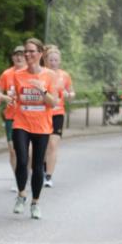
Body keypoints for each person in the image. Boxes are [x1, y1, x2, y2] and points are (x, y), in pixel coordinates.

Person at [11, 37, 55, 219]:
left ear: (40, 53)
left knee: (37, 166)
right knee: (22, 160)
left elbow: (54, 103)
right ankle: (22, 194)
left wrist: (42, 91)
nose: (27, 54)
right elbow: (16, 98)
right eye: (25, 52)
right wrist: (11, 98)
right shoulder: (18, 75)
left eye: (31, 51)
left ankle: (35, 202)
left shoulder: (49, 75)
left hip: (42, 125)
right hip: (21, 122)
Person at [43, 45, 74, 187]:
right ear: (46, 60)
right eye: (51, 60)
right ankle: (43, 168)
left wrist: (69, 95)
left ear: (59, 61)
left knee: (53, 144)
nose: (53, 62)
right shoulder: (42, 74)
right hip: (43, 114)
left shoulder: (65, 75)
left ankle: (48, 176)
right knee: (43, 145)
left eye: (56, 60)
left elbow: (72, 93)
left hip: (58, 114)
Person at [0, 47, 25, 187]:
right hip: (11, 117)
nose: (19, 58)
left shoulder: (31, 73)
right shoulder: (6, 74)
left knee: (28, 151)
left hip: (28, 118)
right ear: (13, 57)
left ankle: (28, 175)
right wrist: (4, 97)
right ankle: (18, 180)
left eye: (22, 55)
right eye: (16, 55)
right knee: (13, 150)